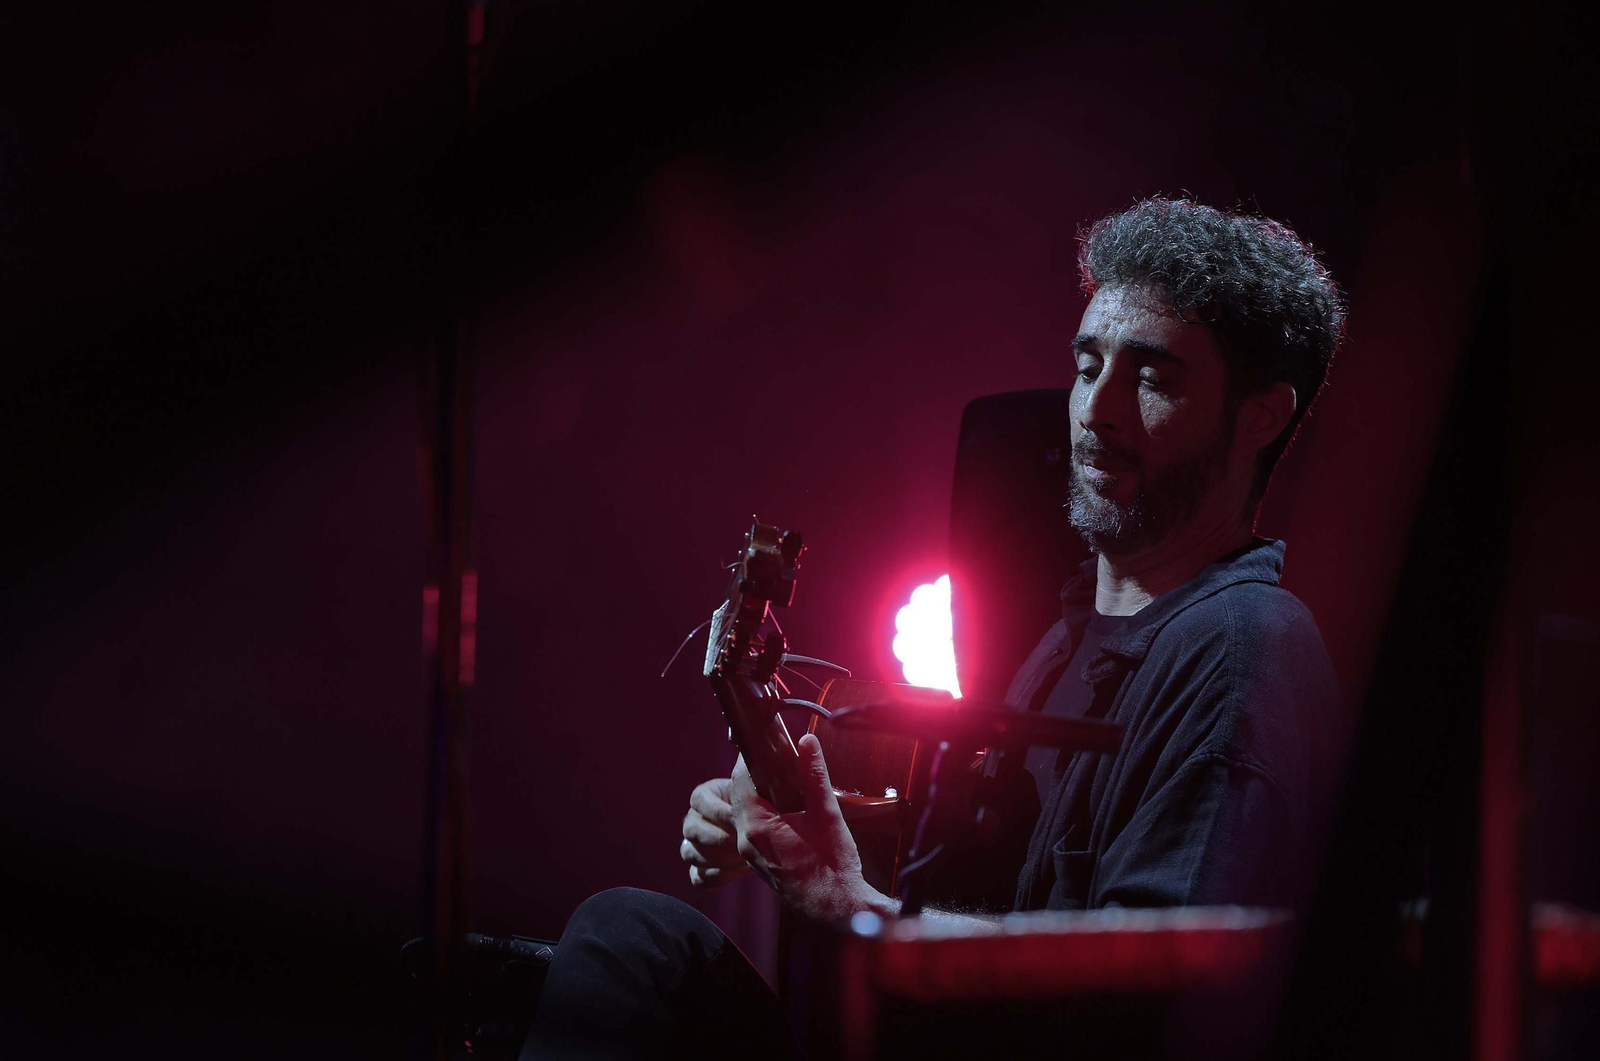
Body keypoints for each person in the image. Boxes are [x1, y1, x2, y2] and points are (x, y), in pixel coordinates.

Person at [520, 198, 1347, 1059]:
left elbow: (1151, 1007)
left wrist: (850, 903)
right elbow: (980, 916)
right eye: (1088, 363)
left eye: (1154, 378)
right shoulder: (1066, 641)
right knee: (638, 944)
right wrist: (815, 837)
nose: (1096, 410)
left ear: (1261, 415)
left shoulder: (1242, 649)